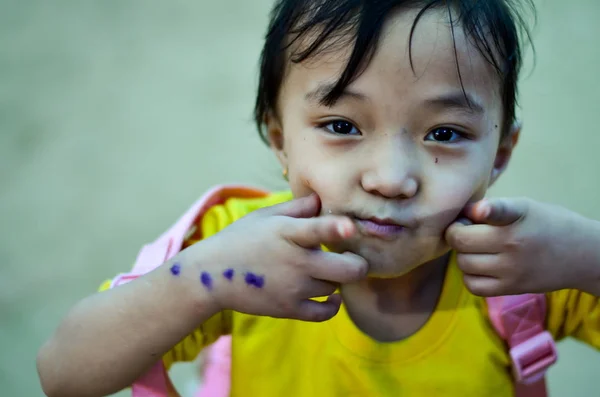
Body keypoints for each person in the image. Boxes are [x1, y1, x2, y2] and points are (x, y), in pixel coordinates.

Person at [37, 1, 600, 396]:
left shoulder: (530, 268)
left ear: (500, 153)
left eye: (445, 134)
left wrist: (588, 256)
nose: (390, 178)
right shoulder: (234, 250)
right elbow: (64, 374)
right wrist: (199, 281)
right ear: (281, 140)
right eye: (341, 125)